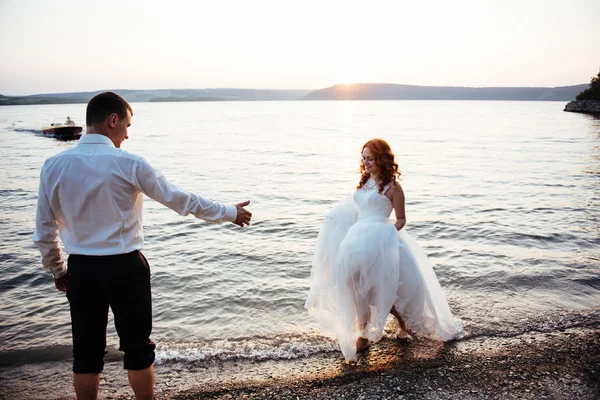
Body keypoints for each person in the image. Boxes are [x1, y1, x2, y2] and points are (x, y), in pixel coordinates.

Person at [33, 92, 252, 400]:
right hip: (126, 268)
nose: (127, 133)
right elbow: (180, 200)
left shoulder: (52, 166)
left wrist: (58, 270)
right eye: (126, 124)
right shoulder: (130, 163)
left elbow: (44, 230)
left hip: (82, 269)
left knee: (86, 352)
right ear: (113, 120)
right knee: (137, 348)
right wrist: (228, 212)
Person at [305, 138, 462, 362]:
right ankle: (368, 329)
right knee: (354, 286)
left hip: (380, 241)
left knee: (379, 288)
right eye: (364, 158)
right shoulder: (365, 182)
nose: (365, 162)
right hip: (356, 241)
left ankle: (366, 334)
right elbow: (358, 209)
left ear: (381, 159)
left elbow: (401, 219)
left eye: (370, 158)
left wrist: (388, 234)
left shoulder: (394, 188)